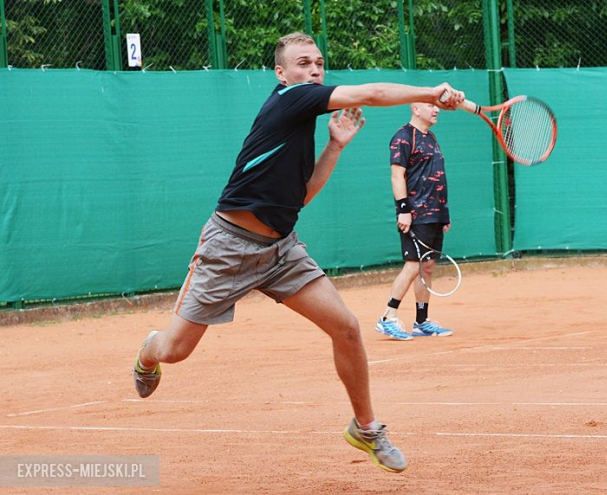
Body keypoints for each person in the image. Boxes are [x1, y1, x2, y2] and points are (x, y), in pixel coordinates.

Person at [131, 32, 464, 474]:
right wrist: (431, 91)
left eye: (319, 64)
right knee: (174, 351)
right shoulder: (290, 101)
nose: (313, 70)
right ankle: (147, 352)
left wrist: (335, 146)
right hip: (228, 248)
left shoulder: (300, 124)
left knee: (345, 328)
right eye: (303, 63)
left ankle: (365, 428)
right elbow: (374, 93)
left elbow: (301, 197)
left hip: (281, 249)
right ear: (282, 73)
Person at [375, 103, 454, 341]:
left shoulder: (431, 137)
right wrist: (403, 209)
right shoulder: (403, 137)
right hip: (415, 213)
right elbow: (397, 175)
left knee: (427, 266)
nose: (436, 110)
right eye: (431, 105)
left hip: (435, 213)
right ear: (415, 108)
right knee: (412, 265)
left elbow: (437, 176)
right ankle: (388, 317)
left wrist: (444, 213)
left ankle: (421, 321)